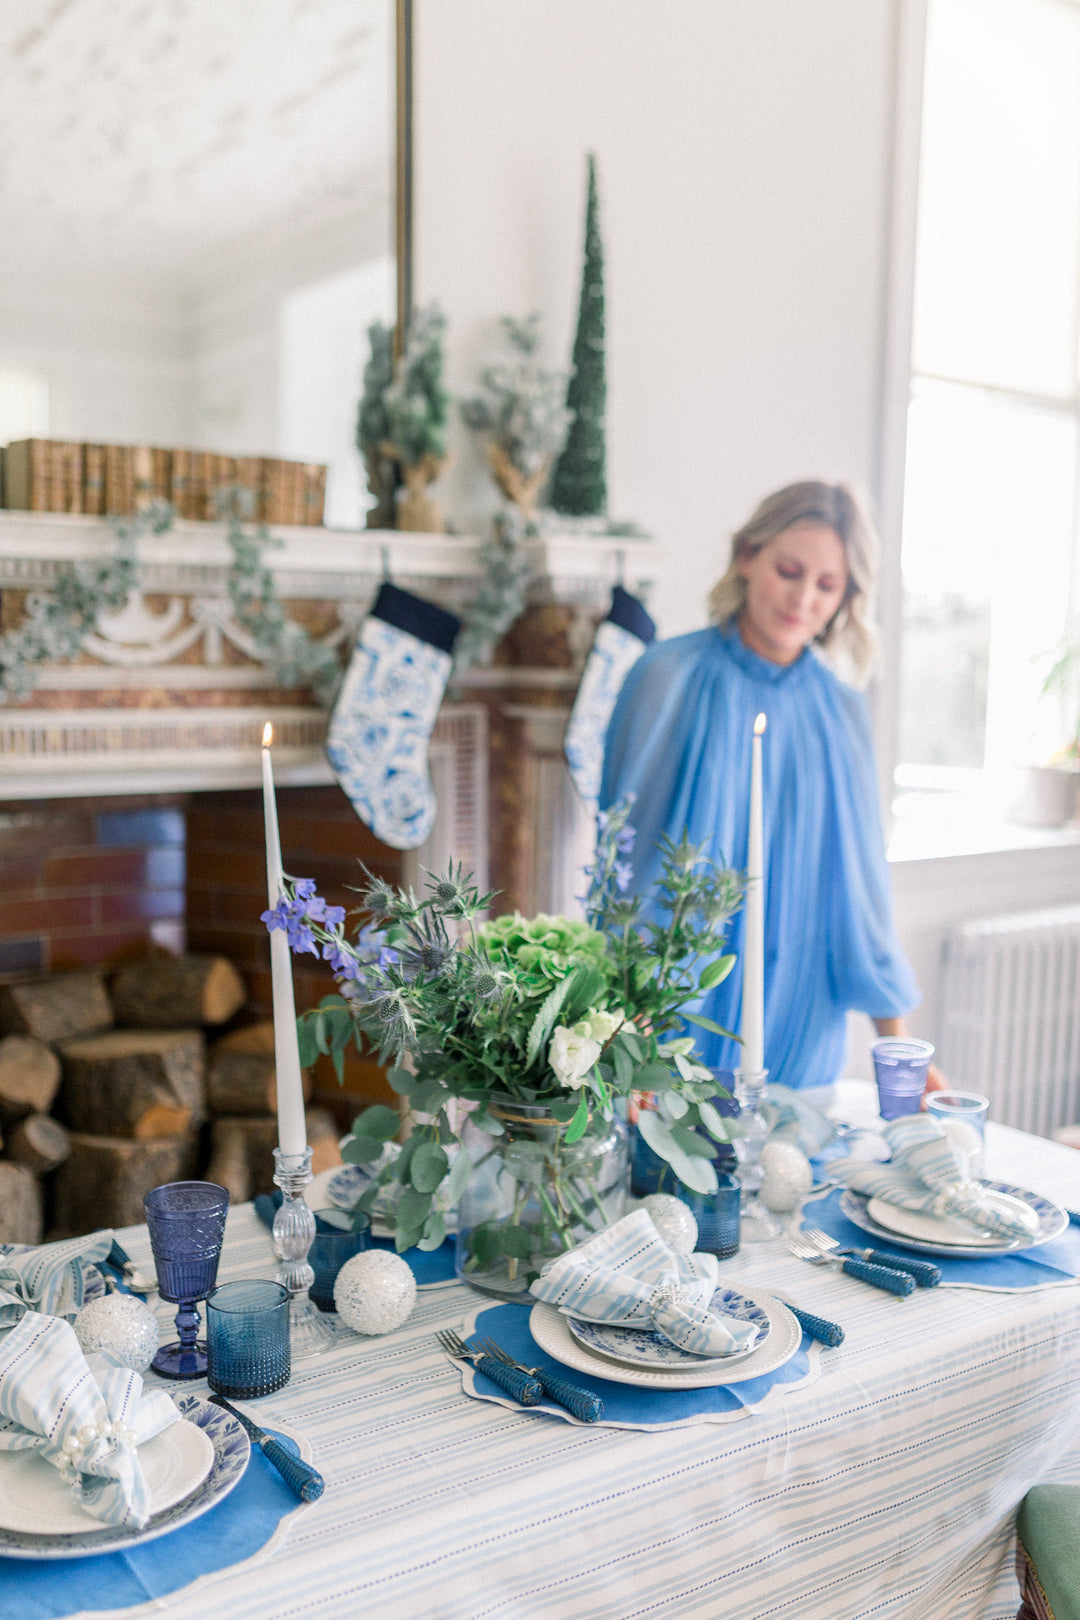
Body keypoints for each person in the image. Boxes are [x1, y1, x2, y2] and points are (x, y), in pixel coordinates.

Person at [599, 479, 943, 1094]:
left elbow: (861, 894)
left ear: (845, 598)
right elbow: (625, 870)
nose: (803, 598)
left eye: (827, 585)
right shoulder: (664, 679)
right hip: (672, 1025)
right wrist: (627, 1029)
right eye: (789, 570)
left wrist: (901, 1048)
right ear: (746, 557)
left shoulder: (842, 712)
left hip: (801, 1018)